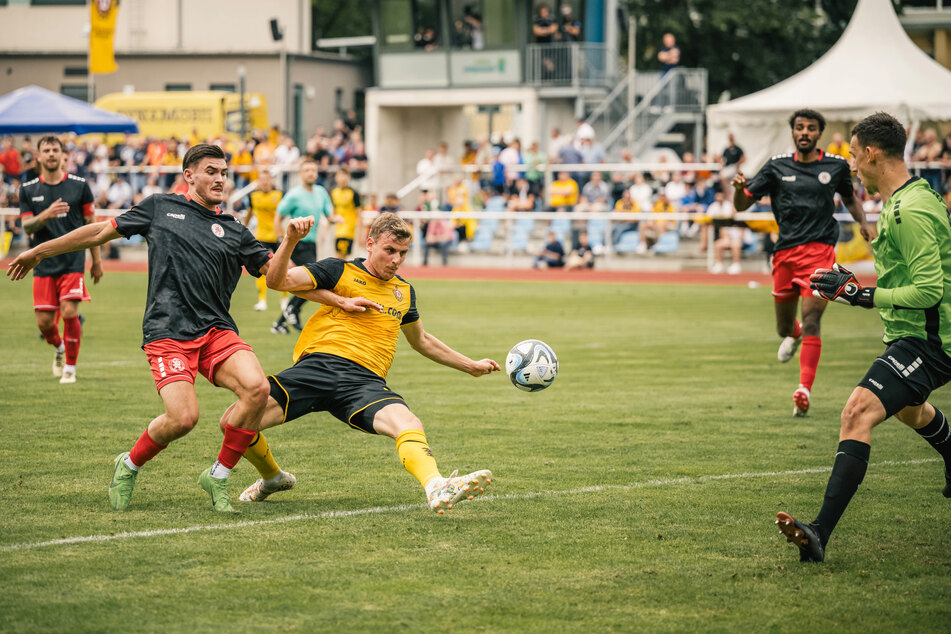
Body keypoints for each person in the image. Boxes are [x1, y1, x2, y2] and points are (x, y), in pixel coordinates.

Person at [7, 143, 280, 513]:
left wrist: (341, 296)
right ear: (189, 175)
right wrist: (38, 251)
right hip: (167, 330)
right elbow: (98, 232)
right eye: (211, 171)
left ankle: (218, 474)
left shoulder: (234, 230)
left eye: (224, 172)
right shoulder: (160, 206)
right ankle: (129, 464)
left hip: (216, 330)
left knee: (257, 387)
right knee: (183, 419)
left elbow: (285, 277)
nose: (220, 179)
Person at [221, 212, 499, 513]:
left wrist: (470, 365)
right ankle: (273, 478)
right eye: (389, 250)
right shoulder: (338, 270)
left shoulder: (404, 292)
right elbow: (278, 281)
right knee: (233, 423)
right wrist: (289, 240)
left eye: (402, 253)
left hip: (364, 382)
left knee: (408, 423)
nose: (396, 260)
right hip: (317, 368)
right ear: (370, 244)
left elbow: (421, 341)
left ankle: (436, 486)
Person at [776, 111, 951, 563]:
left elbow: (930, 289)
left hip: (932, 341)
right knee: (911, 410)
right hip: (912, 334)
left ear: (872, 154)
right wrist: (852, 283)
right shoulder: (902, 200)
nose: (851, 165)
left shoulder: (910, 209)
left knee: (857, 412)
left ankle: (818, 533)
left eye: (853, 156)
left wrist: (862, 296)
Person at [732, 108, 873, 416]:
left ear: (819, 133)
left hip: (820, 252)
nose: (805, 132)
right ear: (793, 132)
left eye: (811, 127)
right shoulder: (776, 166)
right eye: (800, 127)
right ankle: (792, 335)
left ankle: (803, 389)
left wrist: (863, 221)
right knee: (785, 327)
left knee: (812, 321)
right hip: (784, 254)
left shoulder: (834, 167)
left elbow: (850, 198)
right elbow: (743, 204)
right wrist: (738, 189)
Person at [18, 135, 102, 384]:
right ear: (39, 156)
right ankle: (60, 349)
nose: (52, 154)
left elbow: (92, 225)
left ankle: (70, 369)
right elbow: (27, 227)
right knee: (44, 324)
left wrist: (96, 260)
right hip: (43, 263)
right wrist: (46, 214)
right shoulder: (28, 189)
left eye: (56, 150)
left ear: (62, 154)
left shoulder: (79, 186)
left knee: (68, 311)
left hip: (73, 261)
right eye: (47, 150)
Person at [270, 157, 340, 335]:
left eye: (313, 170)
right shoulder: (294, 195)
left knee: (307, 283)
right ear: (301, 174)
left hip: (312, 245)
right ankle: (292, 310)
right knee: (314, 281)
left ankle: (281, 321)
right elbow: (278, 217)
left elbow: (329, 215)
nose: (311, 173)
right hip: (297, 244)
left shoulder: (321, 192)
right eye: (307, 170)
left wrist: (335, 219)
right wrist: (280, 241)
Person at [244, 169, 285, 311]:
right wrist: (243, 228)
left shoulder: (279, 194)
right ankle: (262, 300)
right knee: (261, 268)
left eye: (267, 179)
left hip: (277, 235)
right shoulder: (253, 196)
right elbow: (249, 213)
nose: (265, 182)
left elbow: (285, 212)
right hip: (261, 236)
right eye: (262, 179)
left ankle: (284, 300)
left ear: (271, 180)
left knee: (282, 267)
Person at [330, 165, 361, 258]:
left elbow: (359, 214)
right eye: (340, 175)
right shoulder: (334, 192)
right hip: (337, 230)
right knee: (339, 257)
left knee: (341, 257)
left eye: (344, 175)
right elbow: (333, 212)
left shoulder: (353, 193)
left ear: (348, 177)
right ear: (336, 177)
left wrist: (360, 233)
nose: (342, 178)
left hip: (348, 230)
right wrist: (327, 229)